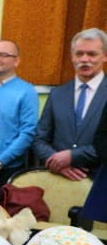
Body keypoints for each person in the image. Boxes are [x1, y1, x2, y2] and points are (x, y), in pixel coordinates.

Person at [30, 27, 107, 181]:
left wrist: (72, 157)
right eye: (79, 54)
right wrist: (57, 161)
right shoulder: (57, 94)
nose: (84, 59)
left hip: (99, 183)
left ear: (104, 56)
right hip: (58, 181)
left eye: (92, 54)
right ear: (72, 57)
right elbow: (39, 139)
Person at [0, 40, 39, 188]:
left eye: (3, 55)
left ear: (16, 61)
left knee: (2, 211)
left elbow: (27, 133)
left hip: (8, 170)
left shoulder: (26, 91)